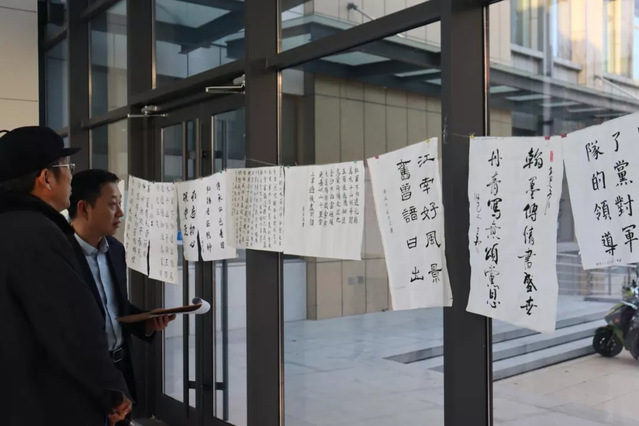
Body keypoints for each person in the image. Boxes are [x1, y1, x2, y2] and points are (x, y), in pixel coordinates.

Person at [0, 126, 131, 425]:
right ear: (46, 178)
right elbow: (71, 328)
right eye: (67, 167)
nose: (72, 177)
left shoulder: (9, 226)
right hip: (47, 403)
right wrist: (111, 390)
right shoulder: (39, 234)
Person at [68, 169, 175, 419]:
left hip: (120, 369)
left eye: (120, 203)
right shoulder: (58, 253)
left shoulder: (115, 250)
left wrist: (146, 321)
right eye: (112, 204)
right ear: (84, 208)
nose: (120, 213)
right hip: (81, 378)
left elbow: (115, 308)